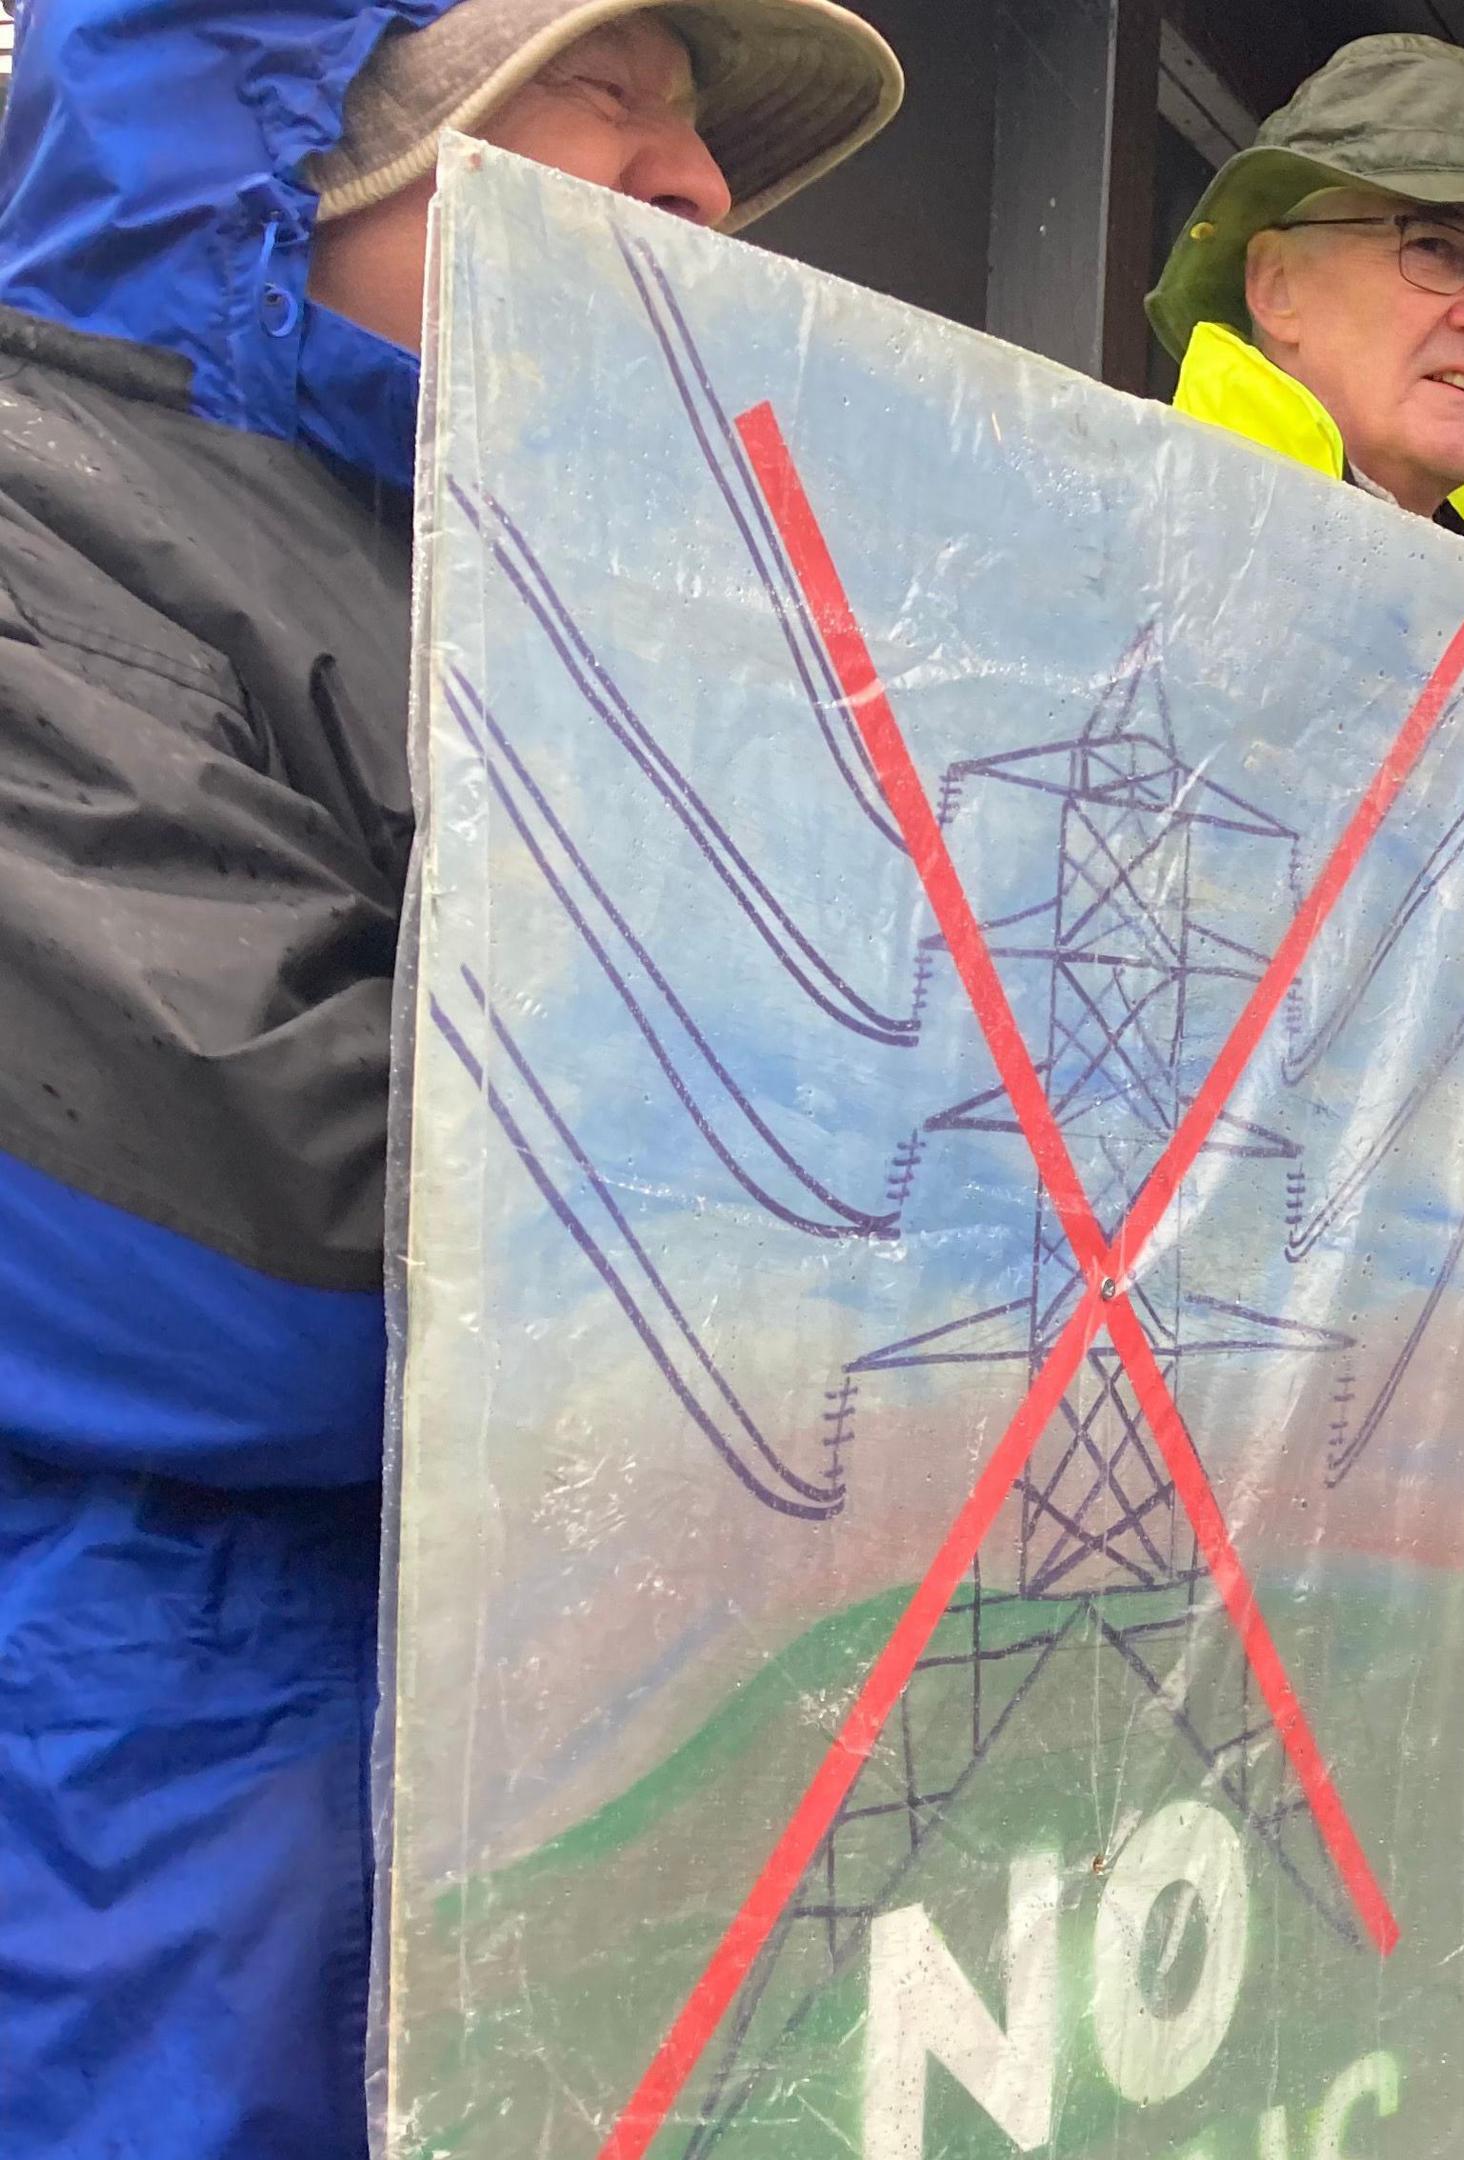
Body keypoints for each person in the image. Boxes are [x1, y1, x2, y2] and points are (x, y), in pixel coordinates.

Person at [0, 3, 899, 2151]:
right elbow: (302, 1248)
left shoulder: (561, 586)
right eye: (611, 104)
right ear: (291, 149)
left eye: (712, 142)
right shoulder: (53, 525)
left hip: (570, 1779)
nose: (700, 194)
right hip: (188, 1845)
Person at [1143, 33, 1464, 1734]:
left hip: (1372, 1548)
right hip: (1226, 1554)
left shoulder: (1422, 600)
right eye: (1434, 250)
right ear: (1275, 283)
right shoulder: (1184, 558)